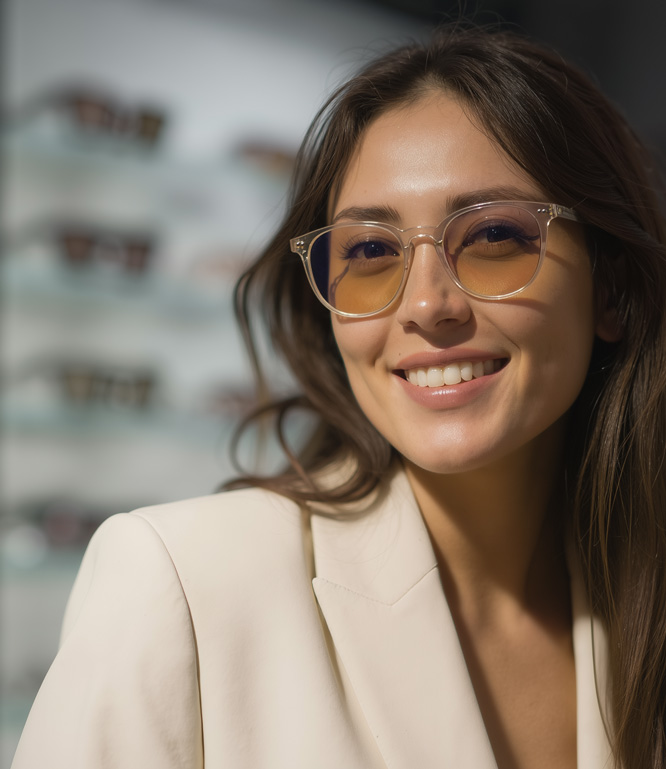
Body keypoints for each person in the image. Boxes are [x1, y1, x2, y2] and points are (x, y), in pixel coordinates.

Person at [11, 24, 666, 769]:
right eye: (370, 252)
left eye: (492, 237)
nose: (426, 305)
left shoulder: (644, 603)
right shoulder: (181, 585)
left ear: (610, 286)